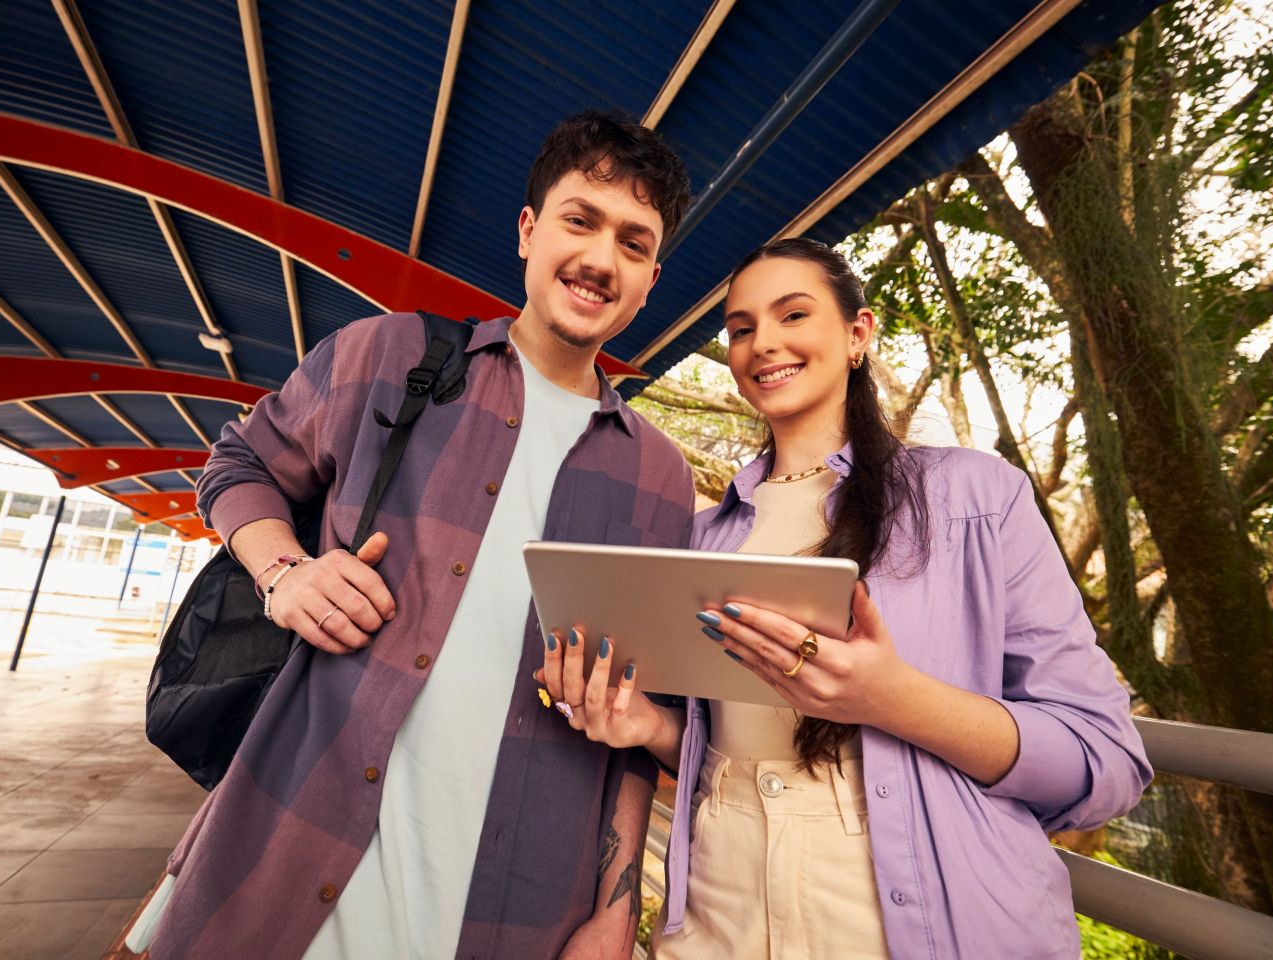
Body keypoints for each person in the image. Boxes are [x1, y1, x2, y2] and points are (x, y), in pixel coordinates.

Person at [129, 111, 696, 960]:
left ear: (652, 277)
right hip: (294, 843)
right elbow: (238, 463)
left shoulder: (659, 475)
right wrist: (286, 574)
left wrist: (617, 909)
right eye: (580, 220)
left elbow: (642, 706)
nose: (600, 259)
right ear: (529, 231)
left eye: (634, 241)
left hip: (521, 896)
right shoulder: (390, 356)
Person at [537, 237, 1153, 959]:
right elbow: (724, 748)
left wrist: (891, 699)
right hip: (717, 899)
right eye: (741, 329)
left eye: (793, 314)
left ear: (858, 334)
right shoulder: (701, 535)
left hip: (895, 917)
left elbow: (1107, 763)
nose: (763, 342)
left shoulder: (976, 499)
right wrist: (646, 726)